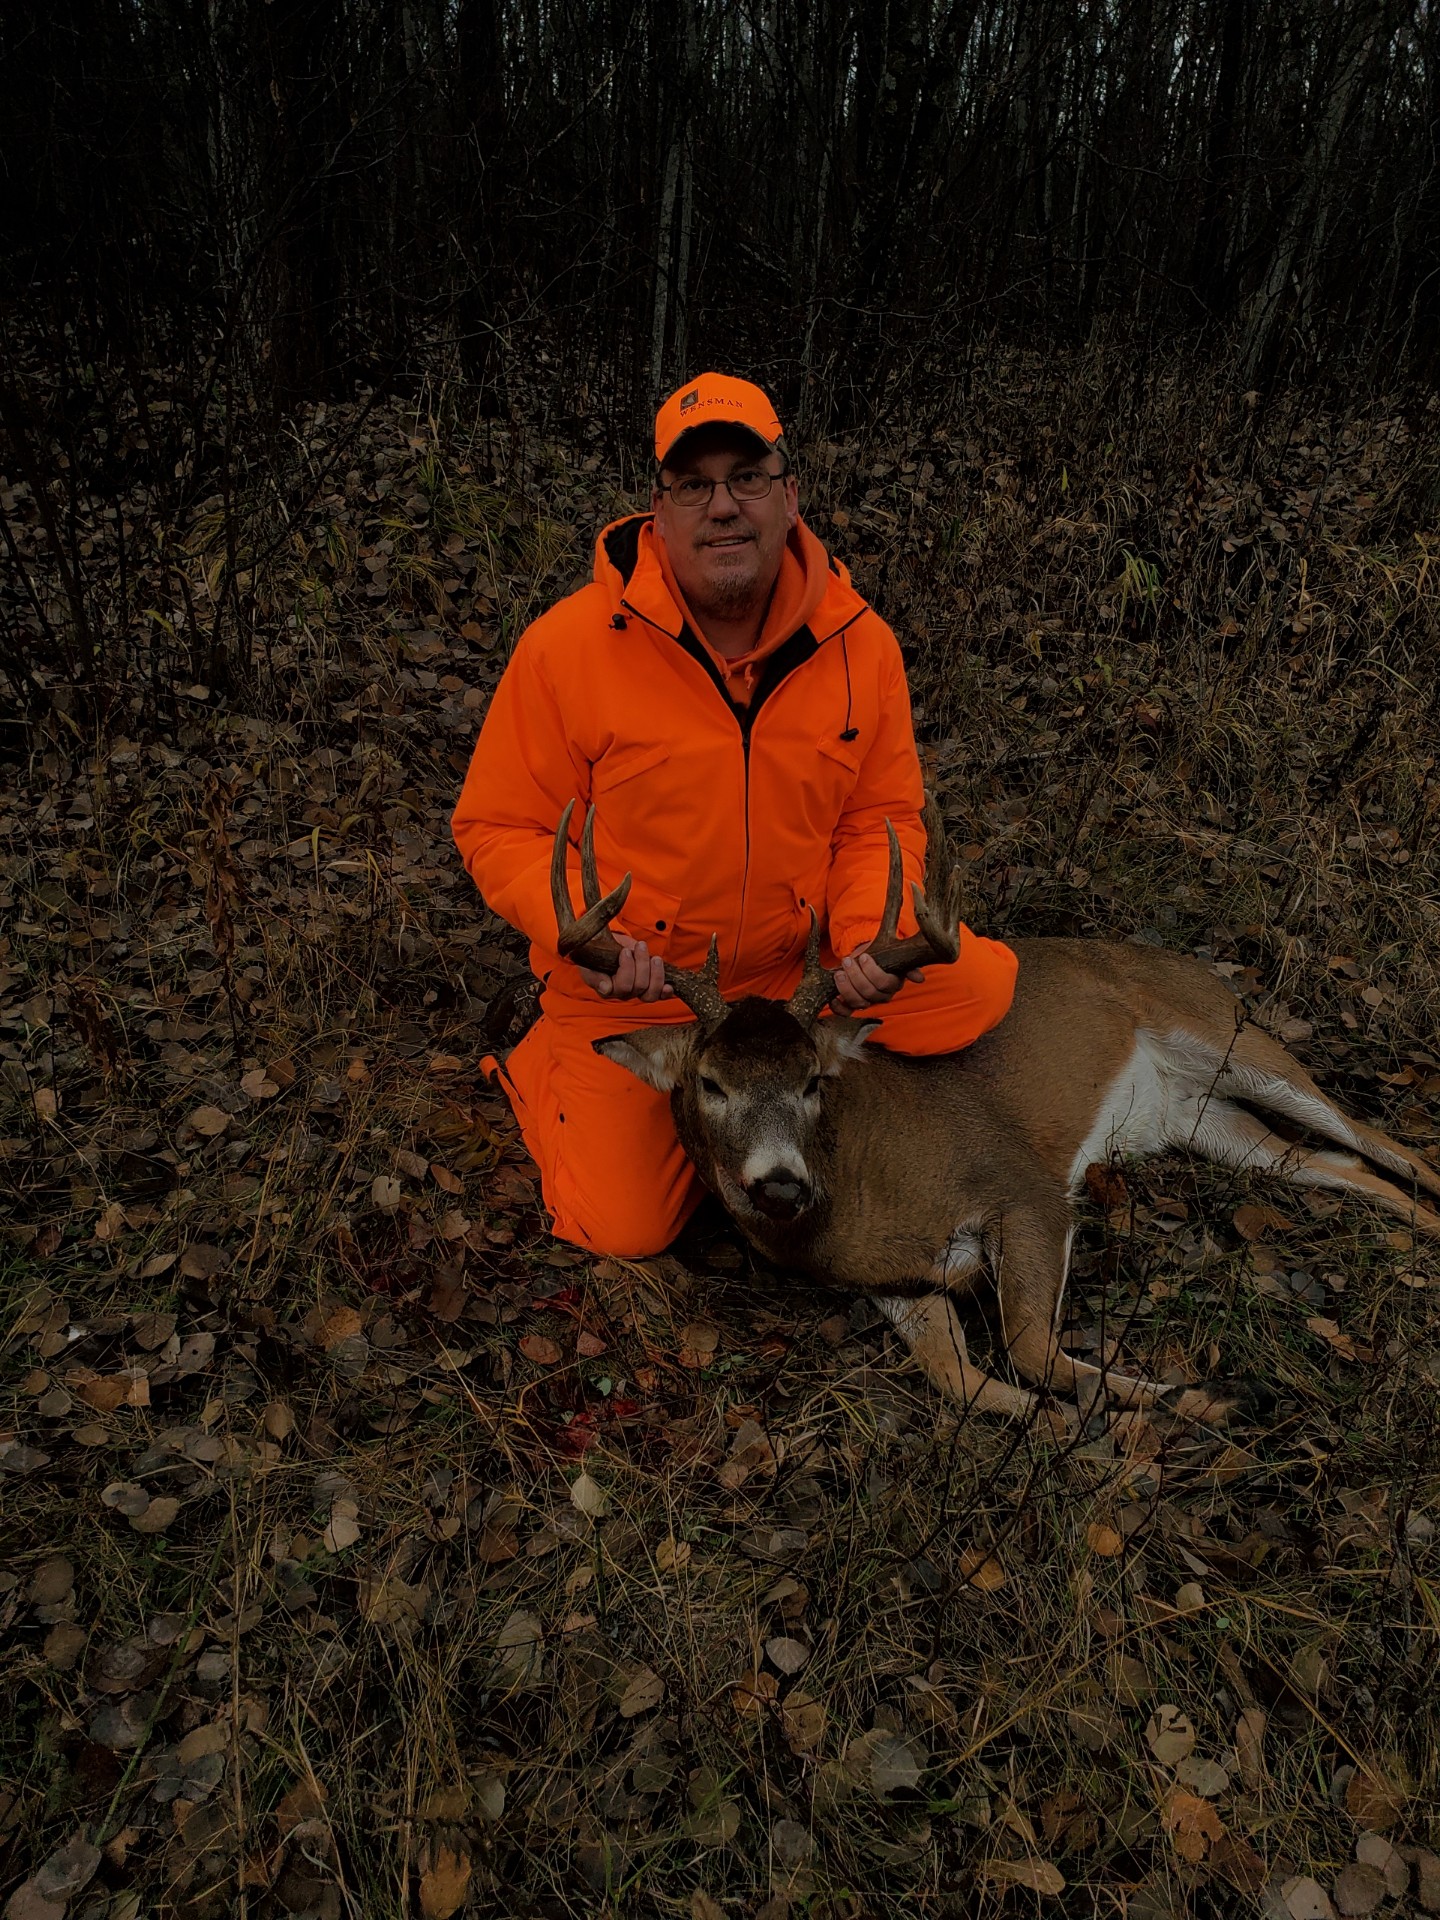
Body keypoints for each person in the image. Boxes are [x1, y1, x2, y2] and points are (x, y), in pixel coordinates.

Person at [452, 372, 1018, 1254]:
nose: (723, 505)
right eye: (695, 484)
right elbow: (498, 827)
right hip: (646, 985)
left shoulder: (859, 644)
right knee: (623, 1228)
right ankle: (538, 1058)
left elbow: (879, 817)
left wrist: (872, 934)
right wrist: (592, 942)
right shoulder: (566, 648)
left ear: (789, 498)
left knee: (978, 990)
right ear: (659, 511)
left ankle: (789, 1100)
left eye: (747, 478)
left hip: (801, 972)